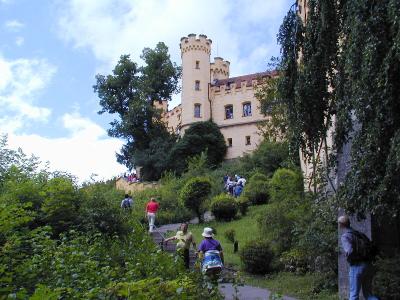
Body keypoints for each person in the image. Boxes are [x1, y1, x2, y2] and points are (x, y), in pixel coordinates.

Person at [338, 215, 379, 300]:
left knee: (354, 295)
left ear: (341, 225)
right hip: (368, 265)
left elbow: (350, 251)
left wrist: (349, 258)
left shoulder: (345, 236)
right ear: (349, 223)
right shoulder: (360, 234)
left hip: (356, 266)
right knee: (368, 294)